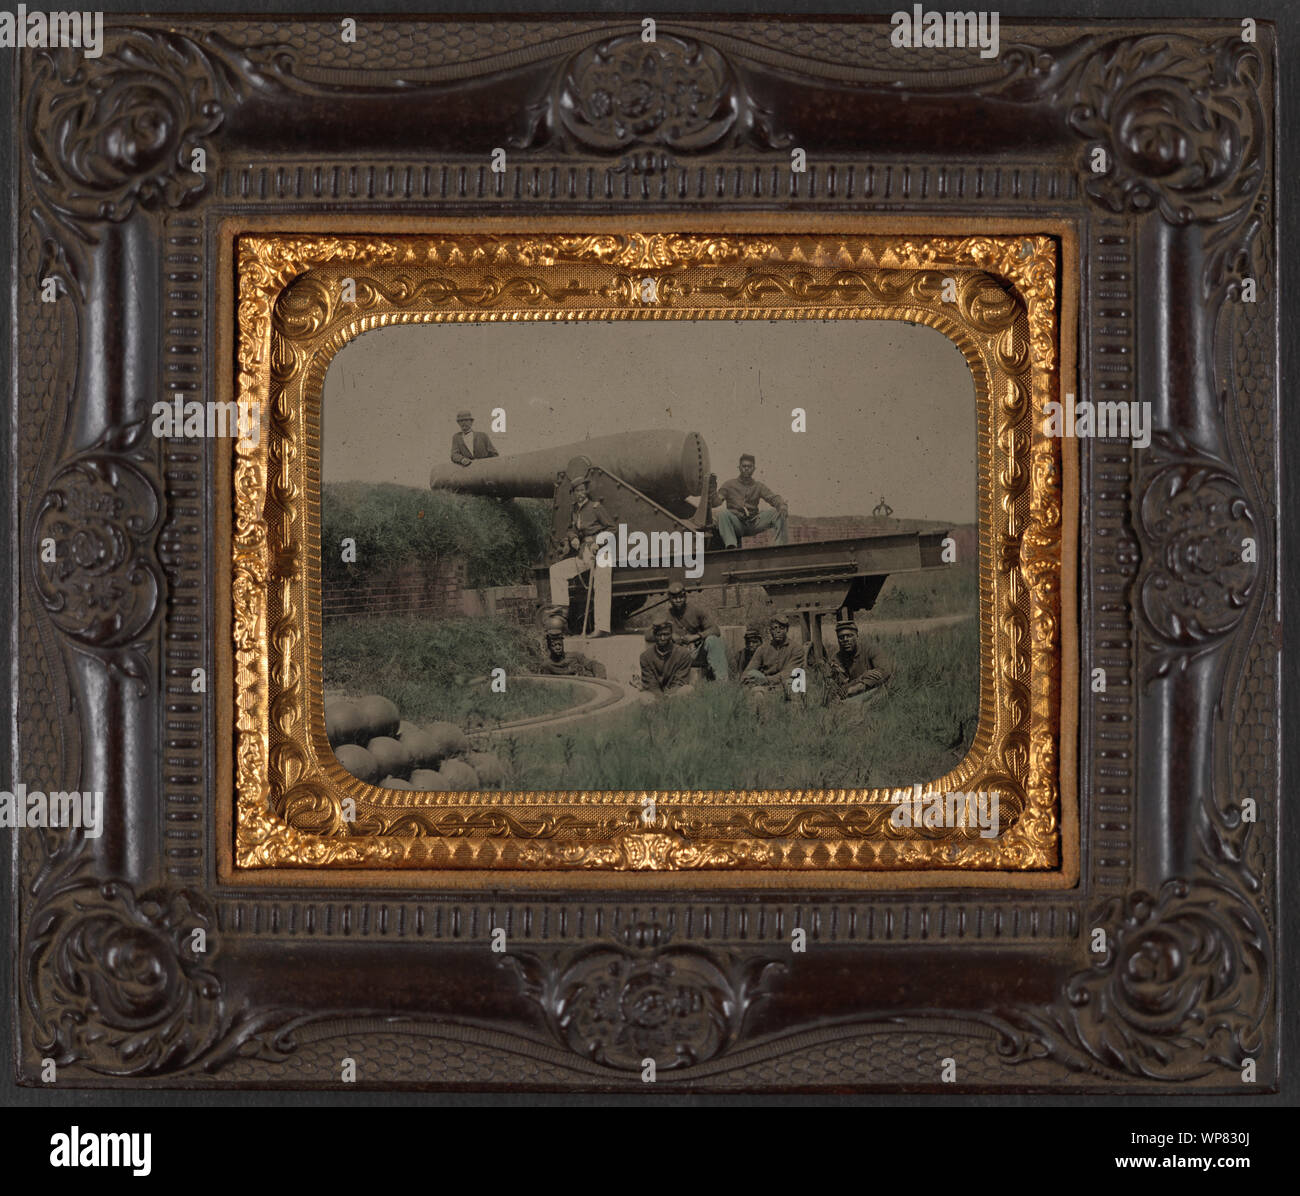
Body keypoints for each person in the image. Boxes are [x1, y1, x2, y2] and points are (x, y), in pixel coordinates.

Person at [548, 476, 615, 636]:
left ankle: (602, 628)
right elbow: (572, 529)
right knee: (556, 570)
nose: (581, 494)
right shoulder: (575, 510)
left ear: (587, 491)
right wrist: (573, 538)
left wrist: (598, 543)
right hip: (584, 553)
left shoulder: (595, 507)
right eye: (577, 491)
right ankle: (562, 614)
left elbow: (612, 528)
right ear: (573, 493)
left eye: (583, 490)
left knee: (601, 584)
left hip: (602, 551)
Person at [642, 582, 729, 680]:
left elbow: (715, 629)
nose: (678, 600)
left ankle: (722, 682)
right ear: (669, 599)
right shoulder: (665, 615)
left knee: (713, 640)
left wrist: (697, 636)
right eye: (674, 598)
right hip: (678, 657)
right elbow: (648, 634)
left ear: (685, 597)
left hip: (697, 653)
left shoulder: (696, 610)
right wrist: (670, 636)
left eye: (681, 597)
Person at [715, 454, 788, 548]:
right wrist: (712, 492)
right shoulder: (729, 485)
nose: (746, 468)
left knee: (777, 512)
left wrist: (782, 505)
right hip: (737, 523)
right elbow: (717, 502)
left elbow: (773, 497)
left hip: (754, 523)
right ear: (739, 467)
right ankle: (731, 547)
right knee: (723, 514)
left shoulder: (758, 486)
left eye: (749, 466)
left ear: (754, 469)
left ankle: (780, 547)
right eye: (744, 466)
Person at [829, 616, 894, 703]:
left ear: (857, 636)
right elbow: (840, 688)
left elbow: (884, 671)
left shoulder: (871, 649)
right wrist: (861, 678)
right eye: (841, 637)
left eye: (849, 636)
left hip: (873, 690)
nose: (845, 640)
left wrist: (861, 685)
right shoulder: (837, 659)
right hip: (852, 695)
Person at [742, 614, 806, 690]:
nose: (778, 631)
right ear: (770, 631)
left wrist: (766, 680)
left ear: (787, 630)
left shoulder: (796, 649)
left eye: (781, 628)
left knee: (791, 683)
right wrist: (748, 679)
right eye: (774, 628)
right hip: (765, 685)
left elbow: (789, 673)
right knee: (752, 679)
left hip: (784, 684)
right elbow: (749, 670)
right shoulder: (763, 649)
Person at [537, 615, 607, 678]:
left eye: (560, 644)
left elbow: (595, 665)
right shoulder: (547, 666)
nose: (558, 648)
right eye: (554, 645)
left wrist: (599, 678)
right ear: (549, 646)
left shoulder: (575, 656)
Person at [638, 620, 696, 695]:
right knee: (644, 697)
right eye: (659, 635)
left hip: (675, 692)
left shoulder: (683, 654)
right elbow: (650, 684)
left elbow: (680, 681)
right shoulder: (645, 656)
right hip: (655, 695)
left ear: (671, 634)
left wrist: (668, 697)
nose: (662, 638)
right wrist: (660, 698)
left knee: (688, 689)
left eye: (666, 634)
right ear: (654, 635)